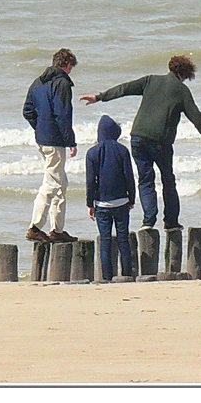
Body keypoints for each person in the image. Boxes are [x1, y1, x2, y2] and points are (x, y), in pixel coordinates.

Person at [80, 55, 201, 232]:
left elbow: (124, 88)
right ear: (185, 75)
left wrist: (99, 97)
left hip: (138, 137)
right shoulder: (182, 90)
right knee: (168, 179)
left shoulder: (150, 80)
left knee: (145, 180)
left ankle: (148, 221)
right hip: (160, 142)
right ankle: (171, 222)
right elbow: (195, 115)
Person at [23, 48, 79, 243]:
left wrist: (39, 127)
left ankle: (57, 229)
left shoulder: (38, 82)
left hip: (42, 138)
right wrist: (70, 140)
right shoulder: (62, 83)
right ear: (67, 65)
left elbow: (27, 111)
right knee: (52, 183)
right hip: (55, 141)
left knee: (61, 182)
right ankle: (35, 226)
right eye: (71, 67)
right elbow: (63, 114)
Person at [86, 115, 137, 281]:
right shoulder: (122, 150)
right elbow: (129, 177)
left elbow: (90, 181)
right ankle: (127, 275)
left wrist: (90, 203)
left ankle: (107, 278)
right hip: (122, 201)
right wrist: (132, 199)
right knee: (123, 240)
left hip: (101, 204)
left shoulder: (92, 153)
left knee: (105, 242)